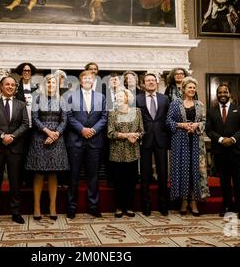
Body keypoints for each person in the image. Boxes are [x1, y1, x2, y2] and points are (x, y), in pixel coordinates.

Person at [0, 76, 29, 225]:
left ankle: (16, 212)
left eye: (13, 85)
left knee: (15, 182)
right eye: (7, 84)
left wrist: (13, 137)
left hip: (15, 148)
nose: (10, 87)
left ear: (15, 88)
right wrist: (3, 136)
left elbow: (25, 124)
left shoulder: (21, 105)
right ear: (1, 87)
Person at [26, 74, 69, 220]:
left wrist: (56, 133)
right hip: (40, 138)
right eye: (49, 82)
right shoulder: (37, 98)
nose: (51, 85)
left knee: (52, 173)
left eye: (54, 83)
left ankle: (52, 207)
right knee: (39, 173)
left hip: (57, 140)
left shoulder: (61, 100)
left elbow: (64, 120)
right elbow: (35, 118)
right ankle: (36, 207)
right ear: (45, 84)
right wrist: (47, 132)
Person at [66, 70, 108, 219]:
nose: (88, 80)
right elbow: (69, 116)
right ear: (80, 81)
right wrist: (82, 129)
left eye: (90, 78)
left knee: (93, 176)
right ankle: (71, 207)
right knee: (73, 176)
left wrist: (94, 130)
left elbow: (104, 116)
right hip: (76, 140)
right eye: (85, 78)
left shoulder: (101, 97)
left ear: (94, 80)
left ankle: (93, 206)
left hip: (95, 141)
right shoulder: (71, 96)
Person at [166, 77, 210, 216]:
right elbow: (168, 121)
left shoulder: (200, 104)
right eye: (189, 87)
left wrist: (197, 125)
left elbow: (204, 121)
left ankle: (194, 202)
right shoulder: (175, 104)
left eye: (193, 88)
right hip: (180, 142)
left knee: (194, 172)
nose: (192, 90)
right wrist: (182, 125)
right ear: (183, 89)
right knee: (183, 171)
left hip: (196, 142)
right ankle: (184, 201)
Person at [206, 83, 240, 220]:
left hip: (236, 150)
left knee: (238, 181)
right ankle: (226, 206)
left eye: (225, 92)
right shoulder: (211, 111)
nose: (222, 95)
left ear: (230, 94)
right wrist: (220, 140)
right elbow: (209, 130)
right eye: (220, 92)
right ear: (217, 95)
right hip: (220, 151)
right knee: (224, 181)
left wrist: (232, 139)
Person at [136, 73, 170, 216]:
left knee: (163, 173)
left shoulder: (165, 99)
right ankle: (146, 205)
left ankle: (163, 205)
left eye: (153, 80)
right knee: (145, 174)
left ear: (156, 83)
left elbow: (168, 119)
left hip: (161, 140)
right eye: (148, 81)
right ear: (143, 83)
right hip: (145, 139)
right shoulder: (137, 99)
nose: (150, 82)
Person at [108, 88, 144, 218]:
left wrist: (137, 136)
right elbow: (110, 133)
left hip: (133, 151)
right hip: (117, 152)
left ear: (127, 98)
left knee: (131, 181)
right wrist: (126, 135)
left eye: (120, 96)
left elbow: (142, 131)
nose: (118, 98)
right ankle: (118, 207)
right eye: (116, 96)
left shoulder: (137, 112)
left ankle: (129, 207)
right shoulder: (112, 113)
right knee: (119, 182)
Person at [15, 62, 38, 186]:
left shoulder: (37, 89)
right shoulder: (15, 88)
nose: (27, 73)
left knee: (32, 153)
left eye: (29, 71)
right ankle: (19, 181)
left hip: (34, 127)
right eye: (24, 70)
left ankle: (30, 181)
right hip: (20, 127)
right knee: (20, 154)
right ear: (21, 72)